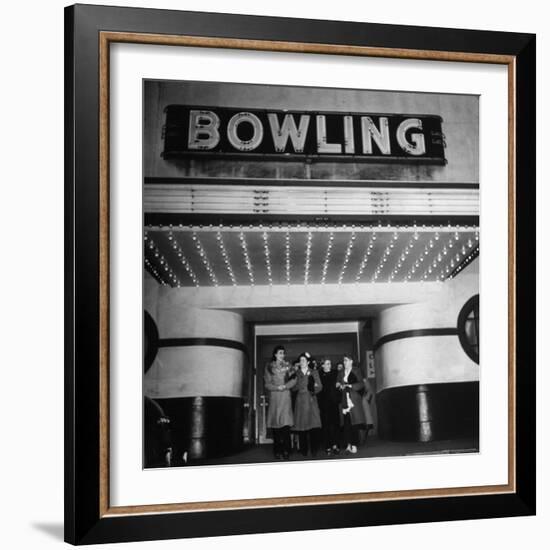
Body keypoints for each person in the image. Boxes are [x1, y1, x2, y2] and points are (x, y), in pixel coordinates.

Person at [264, 345, 296, 459]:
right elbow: (267, 384)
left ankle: (287, 450)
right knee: (276, 427)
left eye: (283, 353)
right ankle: (277, 450)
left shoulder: (289, 366)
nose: (283, 355)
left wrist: (285, 386)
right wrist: (277, 388)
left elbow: (294, 380)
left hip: (286, 397)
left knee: (286, 426)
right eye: (280, 353)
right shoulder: (269, 367)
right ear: (275, 354)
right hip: (275, 398)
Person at [292, 352, 323, 457]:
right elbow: (293, 387)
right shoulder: (296, 373)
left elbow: (319, 386)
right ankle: (304, 450)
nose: (302, 362)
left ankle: (314, 449)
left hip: (311, 400)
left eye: (304, 360)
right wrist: (299, 384)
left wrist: (313, 389)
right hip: (300, 401)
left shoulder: (314, 372)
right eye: (300, 360)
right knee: (301, 427)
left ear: (308, 362)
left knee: (313, 426)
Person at [336, 354, 365, 454]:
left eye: (347, 360)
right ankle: (348, 444)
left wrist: (351, 385)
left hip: (353, 399)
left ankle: (355, 444)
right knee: (346, 423)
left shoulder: (356, 370)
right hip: (344, 399)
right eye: (344, 361)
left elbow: (361, 384)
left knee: (355, 423)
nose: (345, 363)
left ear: (351, 361)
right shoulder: (340, 373)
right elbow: (337, 384)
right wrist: (339, 385)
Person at [317, 358, 341, 455]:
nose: (329, 365)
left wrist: (339, 385)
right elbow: (318, 390)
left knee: (335, 425)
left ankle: (335, 445)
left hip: (334, 403)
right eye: (327, 364)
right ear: (322, 365)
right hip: (324, 404)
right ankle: (327, 446)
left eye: (330, 363)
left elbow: (340, 384)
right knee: (326, 426)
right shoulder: (319, 375)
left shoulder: (336, 373)